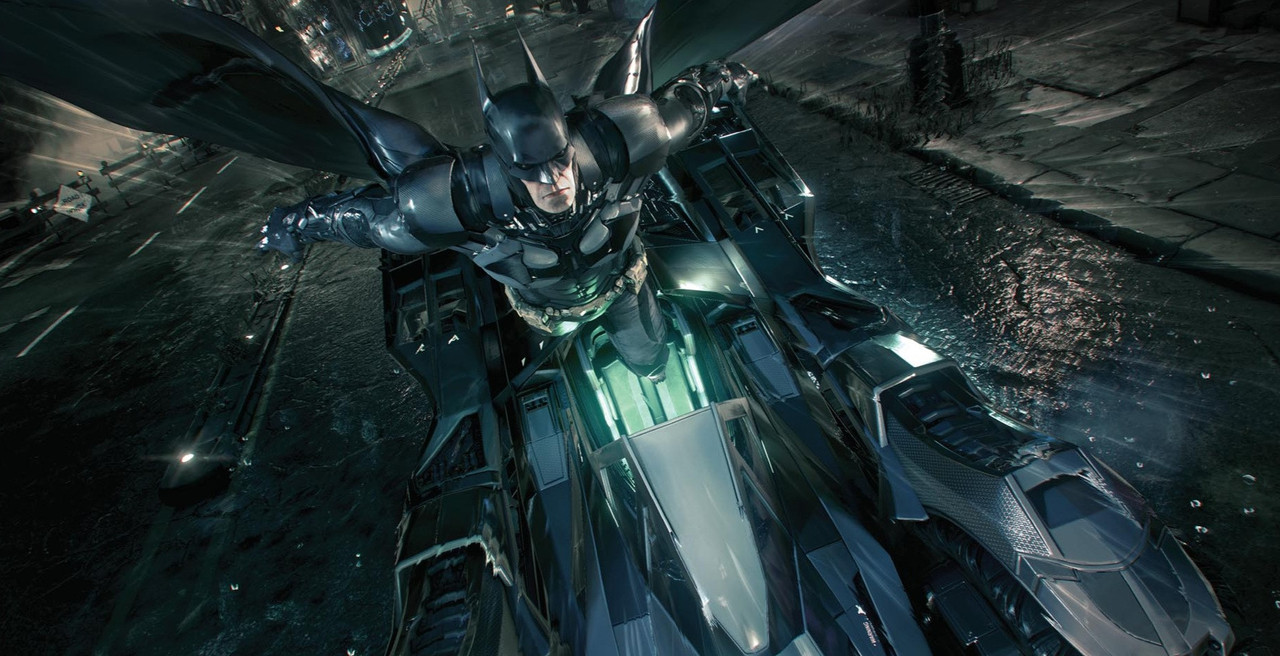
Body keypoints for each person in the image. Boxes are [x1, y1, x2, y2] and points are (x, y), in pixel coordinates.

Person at [259, 36, 753, 381]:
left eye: (559, 162)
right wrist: (300, 221)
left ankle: (649, 369)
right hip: (544, 312)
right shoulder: (465, 199)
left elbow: (688, 106)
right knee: (550, 372)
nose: (555, 182)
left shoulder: (617, 145)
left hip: (622, 286)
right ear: (509, 166)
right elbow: (370, 221)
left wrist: (724, 78)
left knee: (649, 357)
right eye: (533, 171)